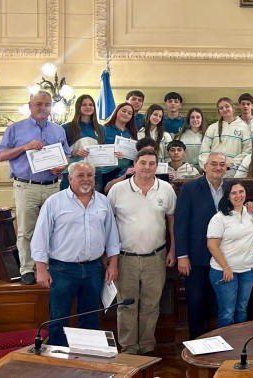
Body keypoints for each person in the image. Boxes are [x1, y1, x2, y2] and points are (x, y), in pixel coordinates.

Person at [30, 161, 119, 345]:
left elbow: (112, 235)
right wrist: (41, 269)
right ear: (69, 178)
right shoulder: (54, 202)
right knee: (58, 319)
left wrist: (113, 264)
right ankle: (58, 365)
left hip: (94, 269)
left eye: (89, 176)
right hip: (63, 270)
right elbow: (40, 237)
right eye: (80, 176)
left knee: (90, 318)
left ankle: (87, 363)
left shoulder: (103, 202)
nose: (86, 180)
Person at [0, 91, 71, 285]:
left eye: (47, 104)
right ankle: (28, 269)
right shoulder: (15, 128)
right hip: (26, 186)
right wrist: (24, 147)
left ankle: (49, 266)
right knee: (27, 231)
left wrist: (62, 166)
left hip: (53, 186)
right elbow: (0, 155)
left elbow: (67, 154)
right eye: (38, 104)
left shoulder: (58, 130)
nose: (43, 107)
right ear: (30, 105)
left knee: (54, 228)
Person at [107, 147, 176, 355]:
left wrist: (173, 250)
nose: (147, 167)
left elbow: (172, 221)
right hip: (125, 258)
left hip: (156, 257)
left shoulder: (166, 189)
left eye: (152, 163)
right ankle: (129, 349)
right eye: (143, 163)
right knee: (126, 306)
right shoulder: (117, 190)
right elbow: (108, 225)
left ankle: (146, 347)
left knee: (151, 305)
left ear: (157, 166)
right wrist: (110, 259)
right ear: (134, 165)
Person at [175, 152, 229, 339]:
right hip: (196, 256)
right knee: (196, 301)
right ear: (205, 166)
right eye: (213, 164)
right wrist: (182, 256)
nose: (218, 167)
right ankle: (195, 342)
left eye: (222, 164)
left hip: (224, 257)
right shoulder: (190, 188)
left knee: (219, 302)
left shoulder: (231, 189)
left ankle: (218, 342)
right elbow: (180, 223)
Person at [207, 180, 253, 328]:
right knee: (227, 313)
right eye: (234, 193)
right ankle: (225, 349)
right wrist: (226, 268)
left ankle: (238, 346)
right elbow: (212, 245)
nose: (238, 196)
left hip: (249, 270)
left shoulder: (250, 213)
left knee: (242, 310)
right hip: (225, 272)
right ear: (227, 196)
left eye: (241, 192)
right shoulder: (219, 218)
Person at [199, 97, 252, 177]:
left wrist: (232, 163)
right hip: (213, 170)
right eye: (221, 108)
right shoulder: (212, 128)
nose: (224, 109)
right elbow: (204, 150)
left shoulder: (244, 127)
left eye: (227, 106)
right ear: (219, 111)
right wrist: (207, 166)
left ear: (232, 108)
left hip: (233, 170)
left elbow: (248, 151)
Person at [61, 94, 103, 190]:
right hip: (72, 172)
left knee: (94, 202)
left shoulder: (101, 129)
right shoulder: (66, 128)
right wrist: (73, 152)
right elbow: (59, 153)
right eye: (84, 105)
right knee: (69, 203)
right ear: (78, 107)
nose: (88, 107)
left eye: (91, 105)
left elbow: (105, 149)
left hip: (94, 173)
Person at [100, 103, 138, 192]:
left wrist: (127, 154)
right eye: (123, 111)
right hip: (106, 171)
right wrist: (111, 152)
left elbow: (135, 153)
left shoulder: (132, 132)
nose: (126, 114)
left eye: (129, 113)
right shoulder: (104, 129)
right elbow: (98, 149)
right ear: (116, 111)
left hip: (125, 171)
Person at [176, 107, 205, 172]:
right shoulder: (180, 137)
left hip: (204, 171)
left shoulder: (207, 136)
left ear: (202, 119)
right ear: (188, 119)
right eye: (192, 117)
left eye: (198, 117)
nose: (195, 119)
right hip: (185, 172)